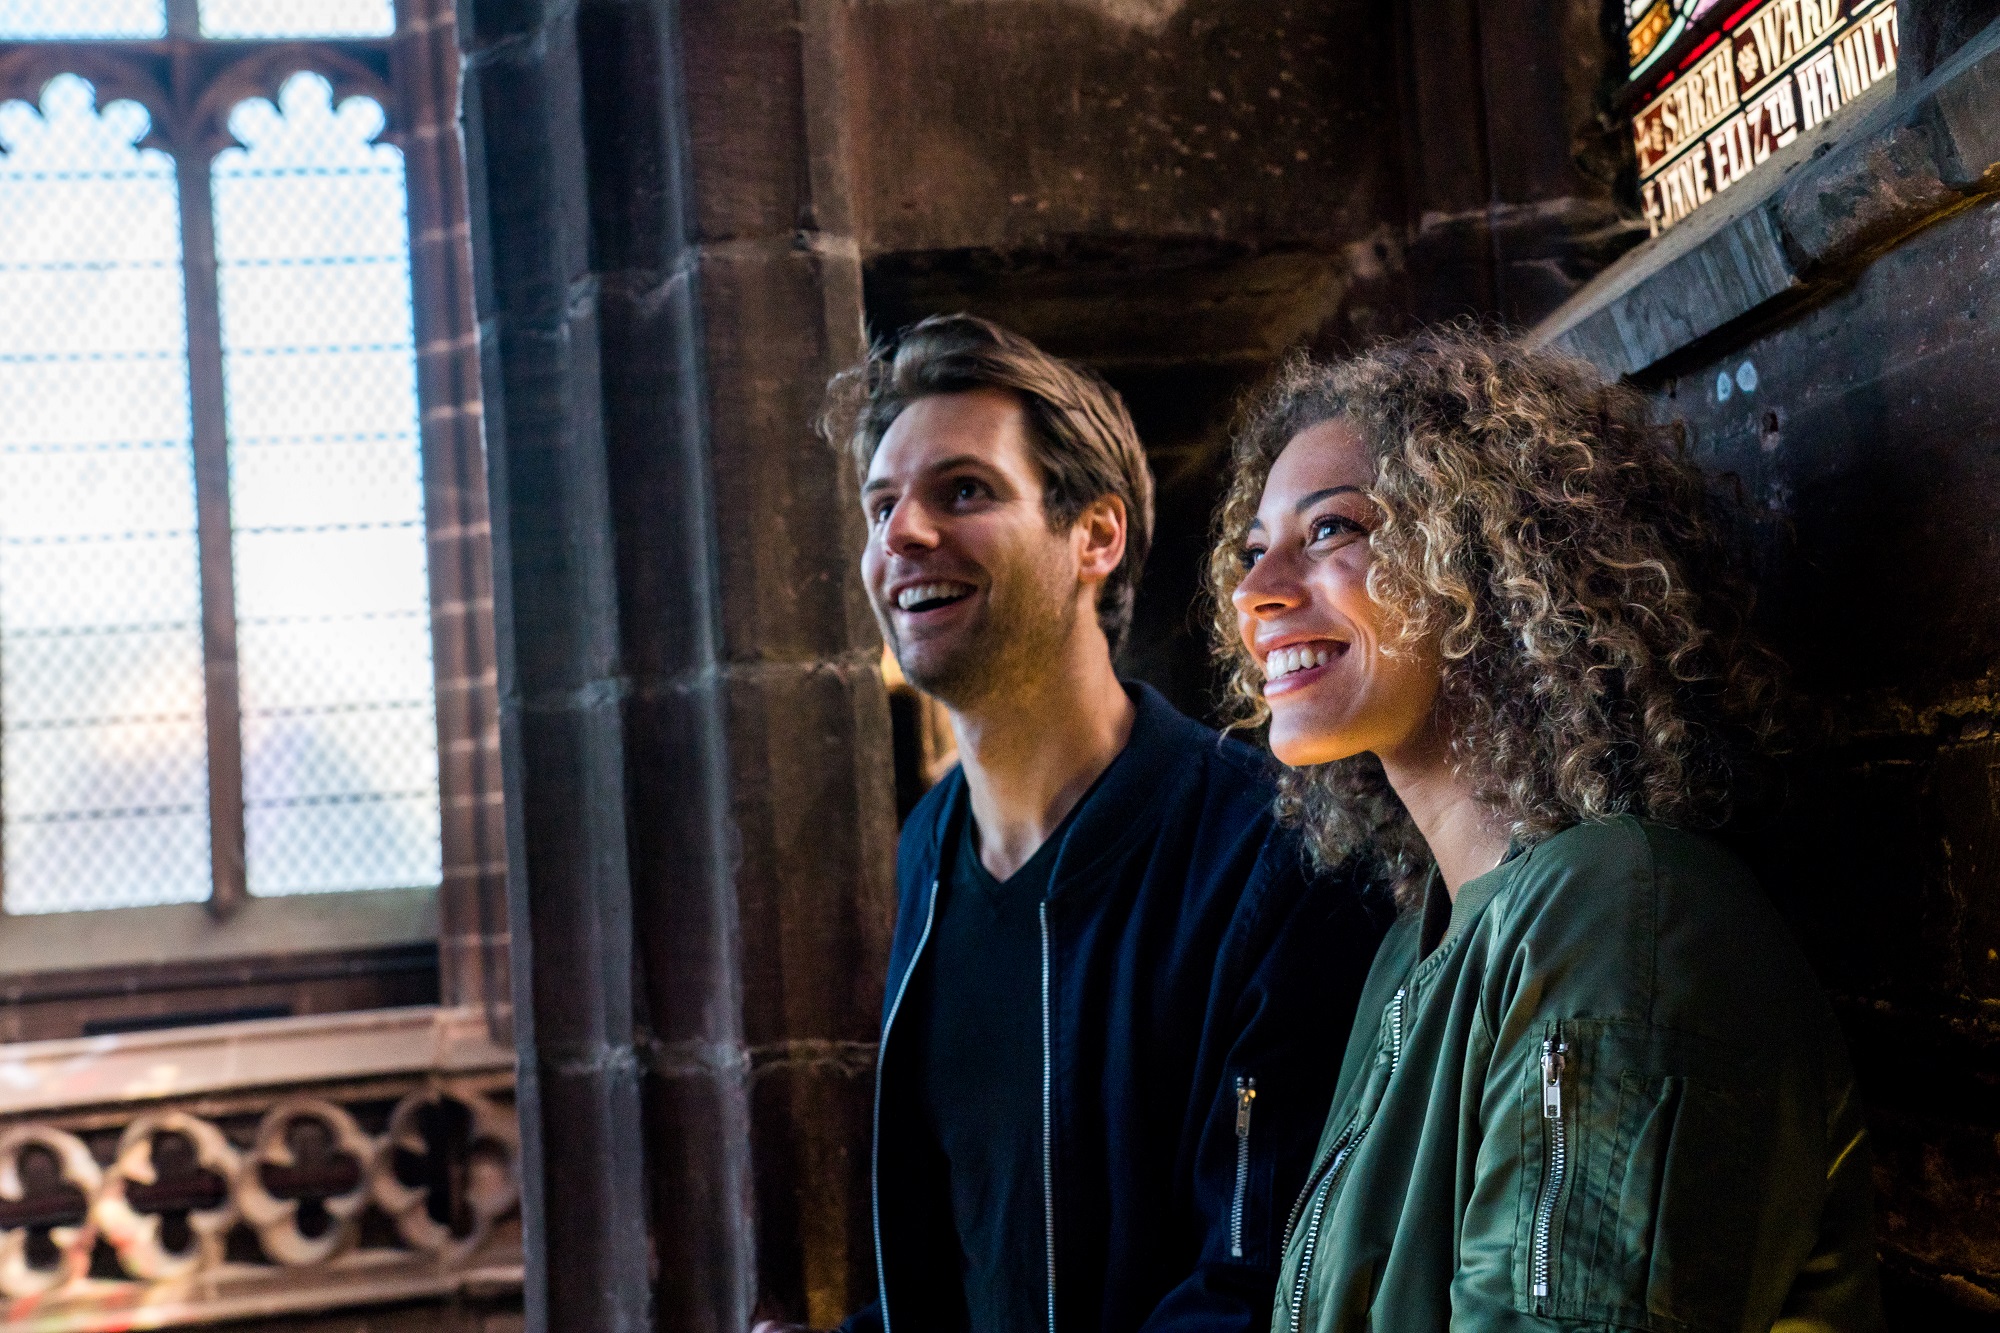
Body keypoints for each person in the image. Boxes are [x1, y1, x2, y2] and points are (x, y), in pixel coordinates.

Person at [1207, 328, 1883, 1333]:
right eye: (1254, 547)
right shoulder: (1415, 944)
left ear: (1478, 551)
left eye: (1329, 530)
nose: (1254, 593)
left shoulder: (1622, 913)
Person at [759, 315, 1390, 1333]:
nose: (900, 536)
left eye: (962, 491)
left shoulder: (1268, 848)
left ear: (1094, 535)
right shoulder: (926, 850)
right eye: (881, 508)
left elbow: (1254, 1286)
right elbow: (962, 1260)